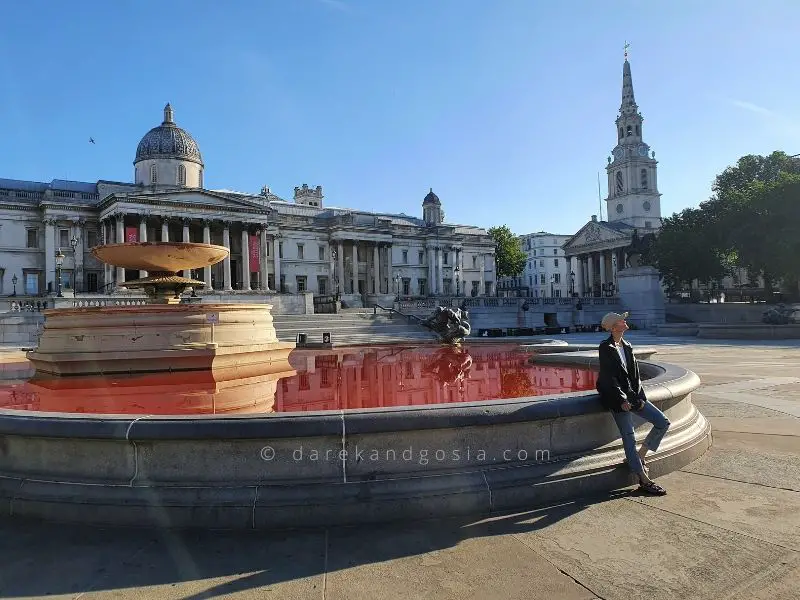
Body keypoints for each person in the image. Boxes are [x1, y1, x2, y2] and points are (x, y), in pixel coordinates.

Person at [596, 311, 670, 495]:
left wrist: (638, 398)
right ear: (614, 327)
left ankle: (639, 456)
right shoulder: (605, 347)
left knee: (662, 422)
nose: (625, 321)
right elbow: (608, 378)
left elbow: (635, 378)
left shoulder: (627, 345)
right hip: (617, 399)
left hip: (634, 398)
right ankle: (643, 479)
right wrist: (621, 400)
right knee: (629, 436)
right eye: (622, 320)